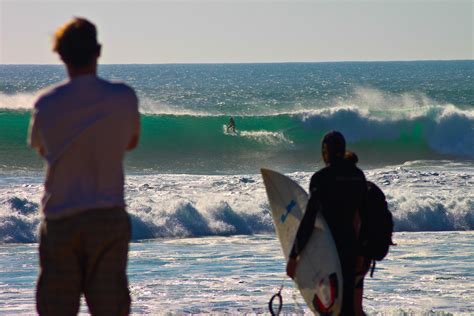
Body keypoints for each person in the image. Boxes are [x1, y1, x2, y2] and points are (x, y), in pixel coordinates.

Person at [28, 17, 140, 315]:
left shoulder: (46, 103)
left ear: (61, 55)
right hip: (107, 218)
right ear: (99, 51)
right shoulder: (123, 98)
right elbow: (131, 142)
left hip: (61, 220)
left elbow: (40, 147)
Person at [286, 131, 368, 315]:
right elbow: (364, 217)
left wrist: (294, 256)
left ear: (325, 151)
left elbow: (309, 220)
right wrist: (362, 252)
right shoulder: (358, 176)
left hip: (327, 248)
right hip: (351, 247)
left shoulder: (321, 178)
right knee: (347, 307)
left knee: (332, 307)